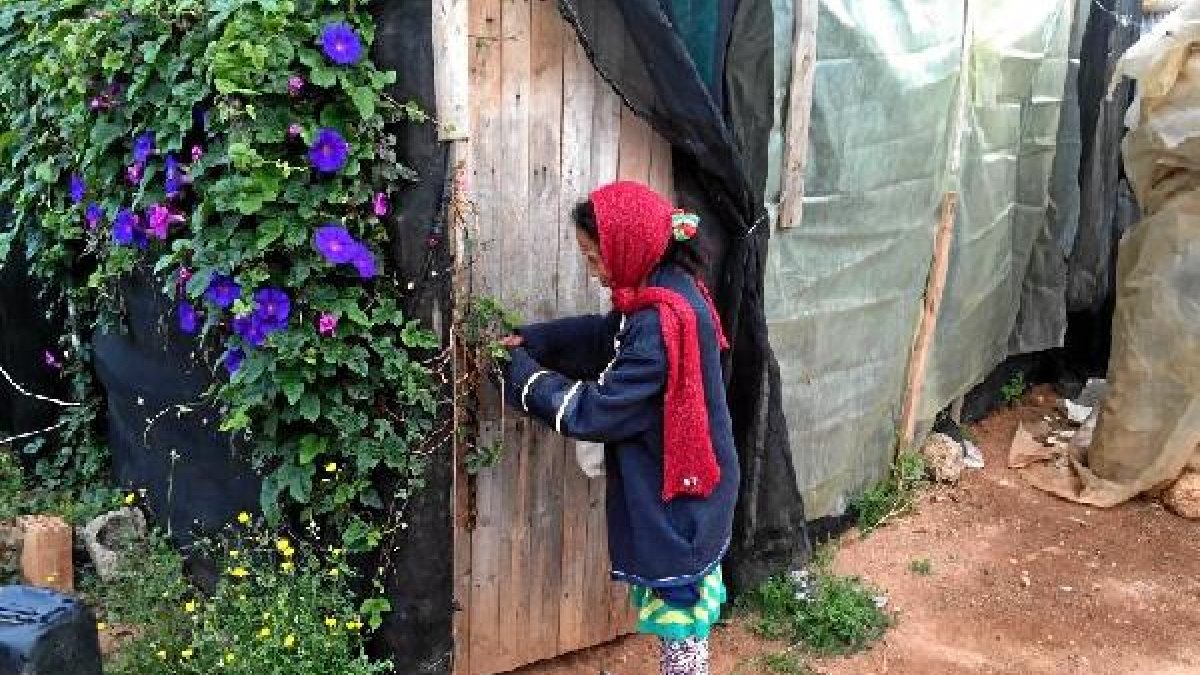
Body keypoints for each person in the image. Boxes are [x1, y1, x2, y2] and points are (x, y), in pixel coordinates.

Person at [501, 181, 740, 675]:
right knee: (682, 610)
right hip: (691, 483)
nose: (593, 270)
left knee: (682, 617)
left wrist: (522, 376)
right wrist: (535, 340)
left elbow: (596, 410)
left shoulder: (660, 323)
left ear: (629, 247)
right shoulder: (662, 291)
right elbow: (604, 334)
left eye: (595, 257)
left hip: (682, 497)